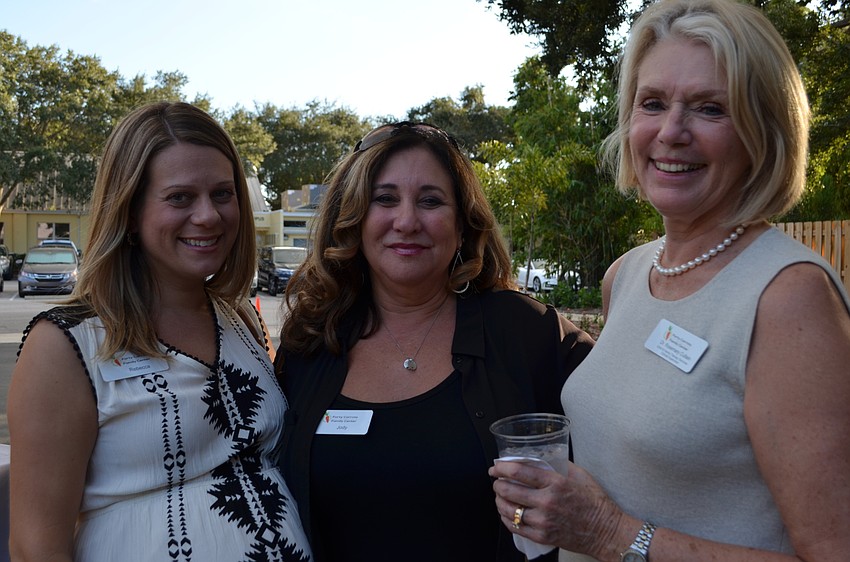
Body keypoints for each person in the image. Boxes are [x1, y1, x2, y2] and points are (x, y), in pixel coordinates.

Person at [490, 0, 850, 560]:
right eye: (652, 103)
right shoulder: (627, 275)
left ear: (764, 129)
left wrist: (609, 533)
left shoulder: (789, 298)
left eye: (710, 108)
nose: (672, 132)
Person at [274, 121, 594, 561]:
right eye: (384, 199)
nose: (406, 221)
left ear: (462, 224)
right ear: (352, 218)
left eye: (430, 201)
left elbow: (636, 429)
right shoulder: (310, 342)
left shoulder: (525, 333)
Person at [8, 101, 312, 561]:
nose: (208, 215)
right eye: (180, 197)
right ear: (129, 212)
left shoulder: (241, 317)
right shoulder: (65, 344)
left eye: (223, 194)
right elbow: (35, 547)